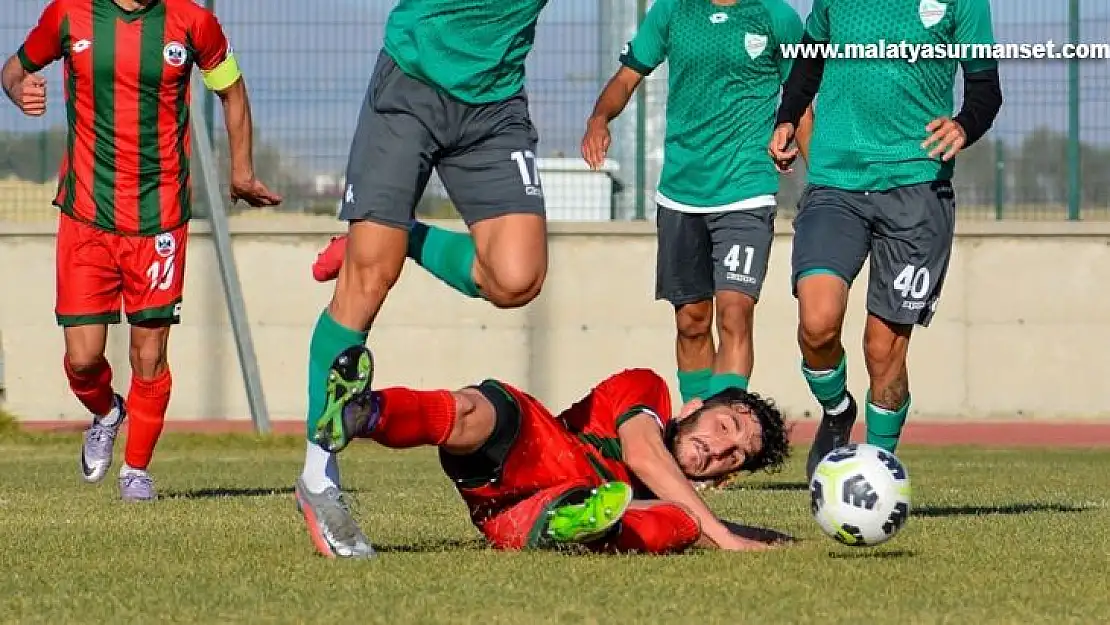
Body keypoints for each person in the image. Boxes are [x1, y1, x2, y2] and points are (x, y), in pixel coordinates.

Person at [296, 0, 557, 558]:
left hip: (495, 104)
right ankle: (319, 477)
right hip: (412, 84)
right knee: (369, 279)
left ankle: (398, 234)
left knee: (516, 278)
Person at [2, 0, 281, 501]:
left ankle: (136, 471)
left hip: (159, 217)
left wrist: (240, 170)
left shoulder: (193, 21)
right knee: (83, 359)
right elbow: (14, 69)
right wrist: (19, 89)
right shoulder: (70, 14)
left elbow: (232, 90)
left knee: (149, 352)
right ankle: (108, 411)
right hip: (86, 214)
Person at [768, 0, 1002, 479]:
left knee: (883, 348)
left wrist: (964, 125)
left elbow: (986, 89)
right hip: (837, 182)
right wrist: (787, 116)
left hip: (917, 187)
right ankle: (836, 412)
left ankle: (876, 467)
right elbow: (810, 60)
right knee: (817, 324)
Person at [305, 350, 791, 557]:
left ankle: (571, 520)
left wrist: (769, 539)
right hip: (530, 450)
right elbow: (643, 454)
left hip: (515, 517)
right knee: (477, 407)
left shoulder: (682, 501)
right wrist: (726, 538)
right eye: (725, 426)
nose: (719, 447)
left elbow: (690, 516)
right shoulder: (647, 387)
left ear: (727, 477)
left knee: (678, 523)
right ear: (694, 407)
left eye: (734, 457)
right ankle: (364, 412)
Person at [581, 0, 806, 409]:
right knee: (691, 322)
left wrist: (819, 177)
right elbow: (627, 78)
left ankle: (723, 432)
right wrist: (599, 119)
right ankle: (693, 426)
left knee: (735, 313)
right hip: (681, 193)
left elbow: (801, 99)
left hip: (746, 189)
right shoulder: (672, 11)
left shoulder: (777, 16)